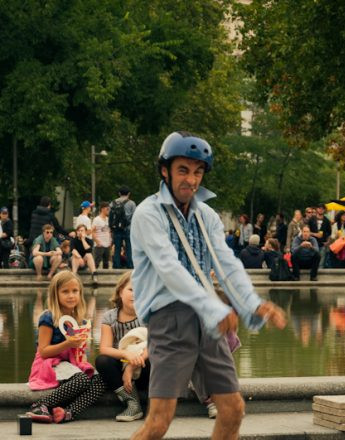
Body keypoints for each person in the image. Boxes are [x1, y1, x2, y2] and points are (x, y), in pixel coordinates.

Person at [129, 131, 286, 440]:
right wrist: (215, 307)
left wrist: (253, 303)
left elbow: (226, 263)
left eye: (198, 171)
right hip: (171, 318)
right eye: (183, 170)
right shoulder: (148, 213)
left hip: (208, 319)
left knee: (233, 409)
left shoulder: (207, 215)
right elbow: (170, 269)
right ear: (165, 171)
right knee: (159, 423)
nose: (192, 179)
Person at [26, 271, 106, 423]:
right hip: (51, 362)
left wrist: (81, 348)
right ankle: (41, 404)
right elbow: (43, 352)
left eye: (75, 291)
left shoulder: (79, 321)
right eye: (65, 291)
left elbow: (78, 351)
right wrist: (68, 343)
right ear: (55, 294)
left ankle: (68, 412)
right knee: (81, 380)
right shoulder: (48, 317)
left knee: (101, 380)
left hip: (71, 363)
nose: (71, 295)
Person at [95, 271, 150, 422]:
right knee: (102, 360)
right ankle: (132, 403)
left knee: (157, 356)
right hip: (120, 369)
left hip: (143, 365)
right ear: (120, 291)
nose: (135, 294)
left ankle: (154, 405)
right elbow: (105, 348)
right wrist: (126, 356)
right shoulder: (110, 317)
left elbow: (155, 344)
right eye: (131, 290)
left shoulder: (147, 315)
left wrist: (131, 367)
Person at [110, 186, 136, 269]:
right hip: (128, 228)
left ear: (119, 193)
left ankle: (116, 265)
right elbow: (135, 216)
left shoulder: (113, 203)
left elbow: (111, 216)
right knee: (129, 247)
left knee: (117, 247)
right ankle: (130, 265)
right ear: (129, 193)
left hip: (117, 228)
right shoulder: (132, 203)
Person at [92, 201, 112, 269]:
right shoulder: (96, 219)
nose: (108, 211)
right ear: (103, 209)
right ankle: (93, 275)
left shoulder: (108, 219)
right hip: (99, 244)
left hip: (107, 244)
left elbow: (109, 231)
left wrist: (110, 240)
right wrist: (97, 241)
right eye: (107, 209)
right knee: (97, 262)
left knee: (106, 263)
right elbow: (93, 232)